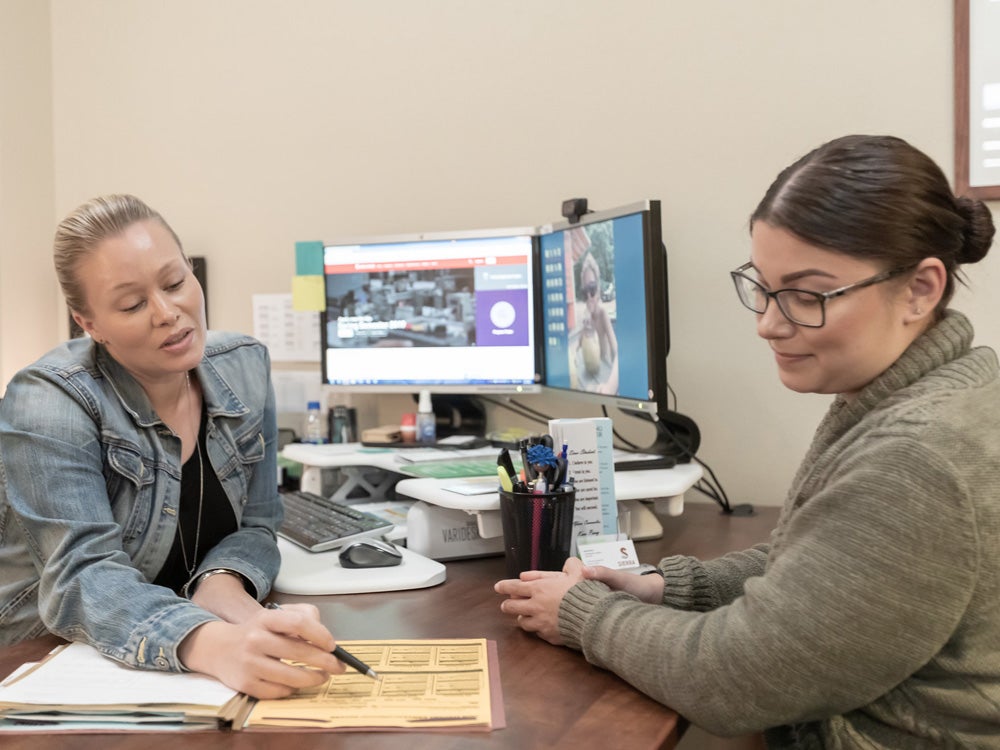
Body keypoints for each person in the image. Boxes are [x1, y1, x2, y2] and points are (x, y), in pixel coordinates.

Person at [495, 135, 1000, 746]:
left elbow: (739, 680)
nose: (768, 322)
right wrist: (662, 587)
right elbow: (824, 562)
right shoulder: (940, 390)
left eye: (807, 295)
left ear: (920, 289)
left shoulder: (916, 457)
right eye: (762, 286)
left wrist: (580, 615)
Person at [0, 194, 343, 698]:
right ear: (89, 323)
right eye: (132, 304)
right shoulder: (49, 400)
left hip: (175, 644)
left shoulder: (245, 367)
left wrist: (223, 582)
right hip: (42, 657)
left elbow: (259, 523)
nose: (168, 312)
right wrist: (212, 642)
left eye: (176, 282)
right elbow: (81, 576)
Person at [575, 249, 619, 394]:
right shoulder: (586, 318)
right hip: (590, 373)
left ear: (599, 290)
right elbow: (577, 346)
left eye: (592, 289)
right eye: (585, 292)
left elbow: (617, 350)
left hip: (604, 370)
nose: (589, 297)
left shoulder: (602, 314)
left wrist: (610, 386)